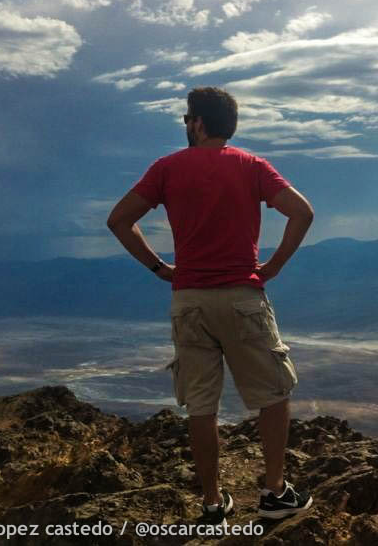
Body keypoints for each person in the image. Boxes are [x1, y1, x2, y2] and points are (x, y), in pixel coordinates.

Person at [106, 87, 314, 527]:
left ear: (198, 123)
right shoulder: (252, 167)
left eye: (187, 118)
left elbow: (119, 220)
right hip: (242, 296)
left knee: (202, 405)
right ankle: (275, 492)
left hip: (189, 300)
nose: (185, 124)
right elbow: (302, 212)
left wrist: (161, 268)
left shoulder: (166, 169)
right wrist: (273, 265)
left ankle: (213, 506)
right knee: (273, 395)